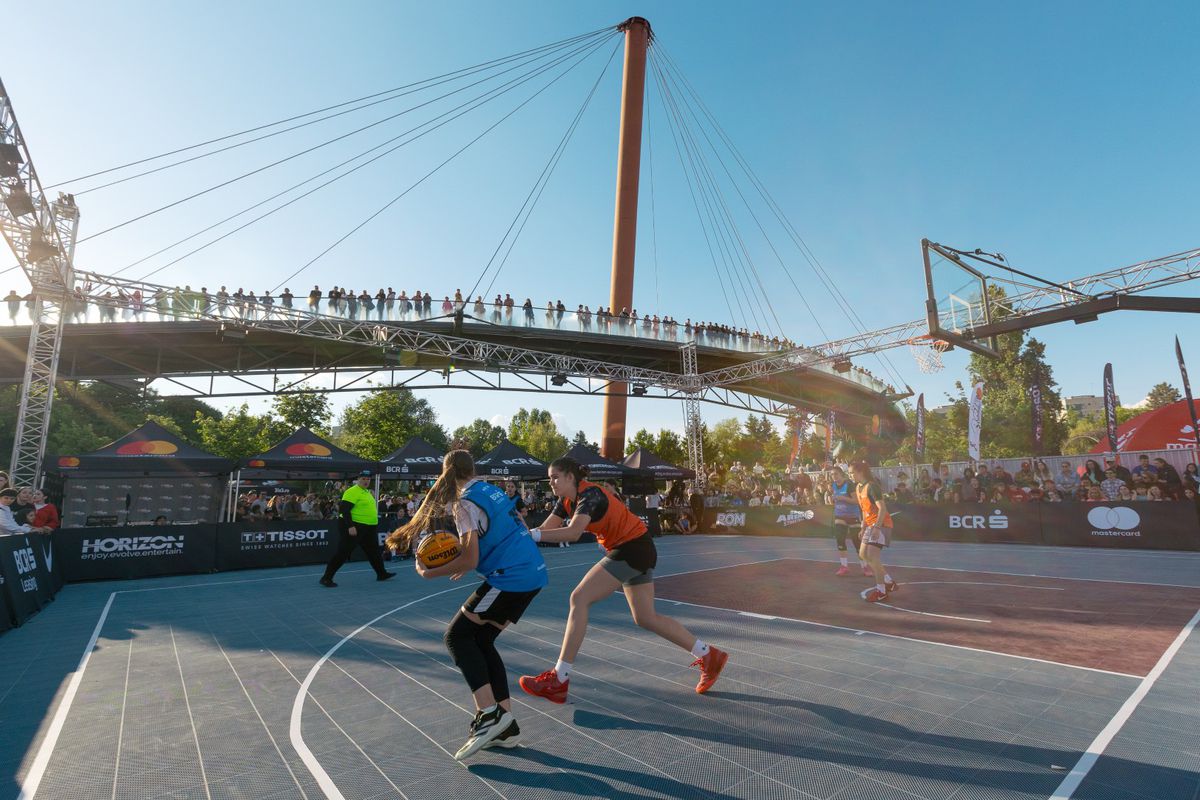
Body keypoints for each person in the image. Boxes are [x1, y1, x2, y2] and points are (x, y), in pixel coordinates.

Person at [518, 457, 728, 702]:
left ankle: (560, 679)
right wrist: (522, 535)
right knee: (646, 618)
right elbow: (545, 531)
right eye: (550, 477)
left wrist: (530, 535)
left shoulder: (590, 495)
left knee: (579, 598)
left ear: (570, 477)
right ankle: (708, 654)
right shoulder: (566, 501)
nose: (550, 482)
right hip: (637, 547)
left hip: (632, 548)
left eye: (555, 477)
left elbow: (573, 532)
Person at [385, 450, 547, 760]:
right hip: (531, 572)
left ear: (445, 472)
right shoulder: (489, 490)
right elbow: (487, 543)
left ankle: (489, 714)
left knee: (456, 636)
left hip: (510, 577)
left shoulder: (463, 503)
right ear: (473, 470)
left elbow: (471, 558)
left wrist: (430, 572)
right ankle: (506, 726)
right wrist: (465, 559)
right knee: (482, 640)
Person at [320, 471, 395, 587]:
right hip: (355, 526)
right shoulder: (352, 491)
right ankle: (326, 578)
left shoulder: (367, 492)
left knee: (373, 552)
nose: (366, 481)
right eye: (363, 479)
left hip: (368, 528)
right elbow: (344, 510)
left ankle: (381, 573)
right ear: (358, 479)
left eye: (368, 479)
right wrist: (350, 526)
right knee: (343, 552)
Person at [852, 462, 898, 603]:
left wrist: (877, 528)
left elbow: (882, 509)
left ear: (860, 472)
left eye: (852, 472)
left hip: (881, 524)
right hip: (870, 524)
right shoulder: (859, 488)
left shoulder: (872, 486)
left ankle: (881, 591)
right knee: (863, 554)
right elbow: (865, 511)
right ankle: (889, 582)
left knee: (872, 556)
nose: (850, 475)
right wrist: (863, 527)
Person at [828, 466, 868, 577]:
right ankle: (844, 566)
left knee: (857, 542)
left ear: (842, 474)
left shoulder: (849, 484)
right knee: (840, 539)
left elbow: (856, 501)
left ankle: (864, 567)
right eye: (832, 474)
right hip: (840, 515)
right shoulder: (833, 485)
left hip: (852, 516)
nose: (834, 476)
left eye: (836, 474)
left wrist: (843, 498)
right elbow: (835, 499)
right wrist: (833, 499)